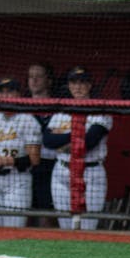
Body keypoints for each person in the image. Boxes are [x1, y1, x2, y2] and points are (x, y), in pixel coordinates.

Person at [44, 66, 112, 230]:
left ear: (89, 85)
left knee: (88, 227)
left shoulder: (101, 110)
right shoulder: (61, 112)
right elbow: (48, 141)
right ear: (69, 85)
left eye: (82, 82)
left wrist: (64, 140)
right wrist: (75, 136)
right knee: (65, 226)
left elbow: (89, 142)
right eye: (74, 82)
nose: (78, 87)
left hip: (91, 171)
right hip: (62, 171)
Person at [0, 77, 41, 228]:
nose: (5, 96)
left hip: (17, 179)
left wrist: (10, 161)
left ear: (18, 94)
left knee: (14, 229)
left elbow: (35, 159)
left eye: (10, 91)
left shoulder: (28, 120)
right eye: (1, 92)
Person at [27, 63, 57, 227]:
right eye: (31, 76)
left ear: (49, 80)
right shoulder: (20, 106)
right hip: (24, 164)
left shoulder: (57, 106)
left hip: (49, 164)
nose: (34, 80)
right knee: (23, 211)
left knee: (46, 212)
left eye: (39, 76)